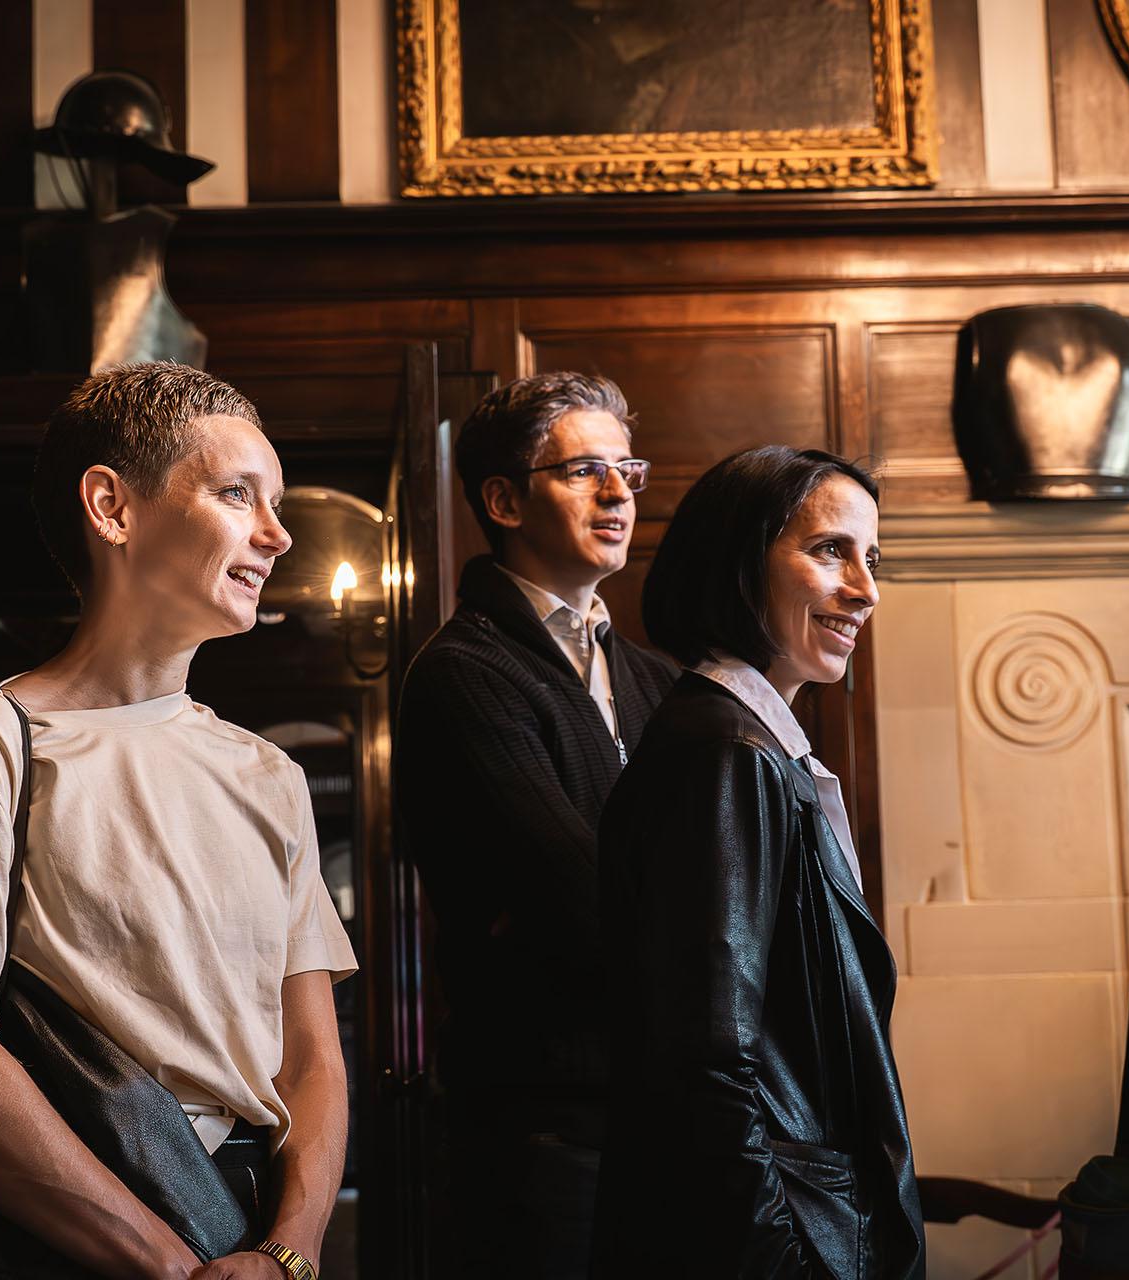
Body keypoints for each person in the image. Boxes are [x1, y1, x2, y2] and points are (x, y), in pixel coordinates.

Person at [0, 362, 356, 1279]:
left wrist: (289, 1253)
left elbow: (313, 1058)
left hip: (247, 1221)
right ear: (112, 507)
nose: (277, 535)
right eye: (239, 494)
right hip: (68, 1227)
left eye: (274, 503)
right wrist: (168, 1267)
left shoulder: (269, 774)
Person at [594, 445, 925, 1277]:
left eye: (872, 558)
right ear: (739, 562)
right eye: (829, 551)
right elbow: (707, 1063)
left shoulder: (747, 745)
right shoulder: (723, 751)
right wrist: (786, 1261)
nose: (866, 589)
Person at [394, 372, 677, 1277]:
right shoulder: (463, 672)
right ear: (505, 499)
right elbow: (577, 901)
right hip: (540, 1128)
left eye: (626, 468)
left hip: (663, 1110)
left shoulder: (653, 679)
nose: (619, 493)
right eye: (585, 469)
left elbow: (713, 876)